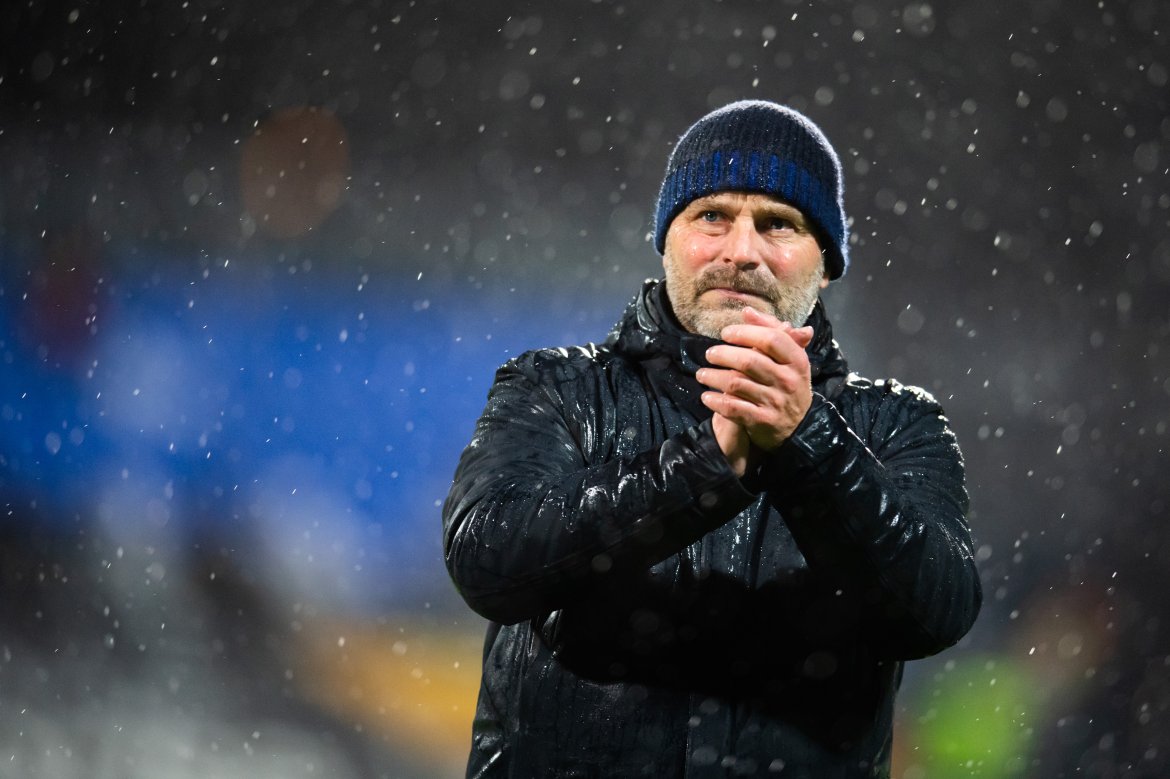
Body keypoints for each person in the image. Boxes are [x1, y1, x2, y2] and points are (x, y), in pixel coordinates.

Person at [442, 100, 982, 778]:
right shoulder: (555, 388)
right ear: (666, 242)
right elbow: (487, 560)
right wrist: (706, 464)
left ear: (826, 264)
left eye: (779, 223)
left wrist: (806, 438)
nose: (741, 252)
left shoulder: (897, 423)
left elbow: (935, 611)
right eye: (712, 216)